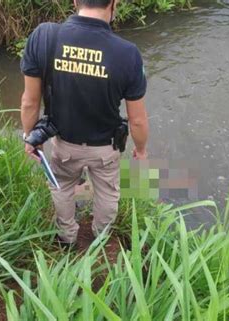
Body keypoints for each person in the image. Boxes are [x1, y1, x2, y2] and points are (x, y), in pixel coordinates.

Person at [20, 0, 149, 248]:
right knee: (108, 193)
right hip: (106, 148)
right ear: (114, 3)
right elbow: (138, 120)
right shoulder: (128, 53)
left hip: (64, 144)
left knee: (62, 187)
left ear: (75, 1)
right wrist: (141, 151)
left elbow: (29, 102)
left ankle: (67, 237)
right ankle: (100, 237)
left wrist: (30, 136)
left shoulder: (44, 36)